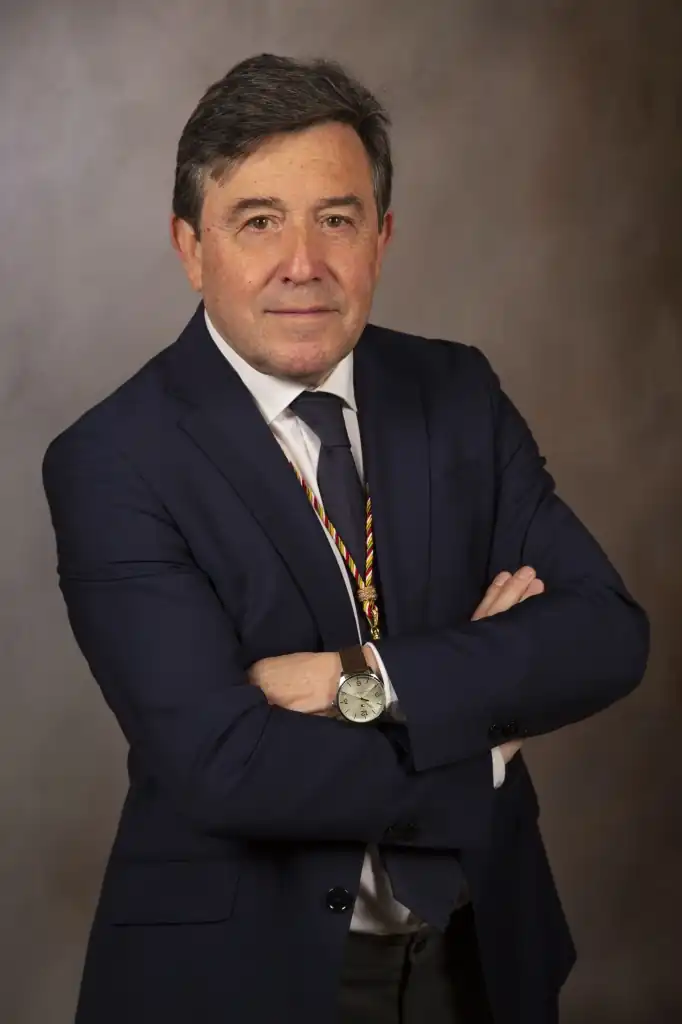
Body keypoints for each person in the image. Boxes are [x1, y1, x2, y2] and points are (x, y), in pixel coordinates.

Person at [42, 53, 649, 1024]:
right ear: (190, 247)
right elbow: (227, 766)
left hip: (481, 961)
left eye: (337, 218)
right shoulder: (114, 458)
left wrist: (354, 679)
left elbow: (605, 635)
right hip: (244, 980)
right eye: (258, 222)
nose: (303, 264)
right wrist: (480, 744)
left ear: (382, 236)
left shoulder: (456, 392)